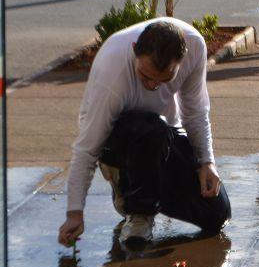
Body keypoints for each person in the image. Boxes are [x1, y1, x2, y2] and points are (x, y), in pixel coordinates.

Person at [56, 19, 231, 250]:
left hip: (163, 135)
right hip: (117, 141)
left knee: (217, 214)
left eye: (164, 80)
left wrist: (206, 162)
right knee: (149, 127)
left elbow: (195, 112)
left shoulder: (195, 47)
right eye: (145, 76)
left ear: (183, 57)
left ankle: (141, 192)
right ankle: (137, 209)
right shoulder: (113, 74)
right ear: (134, 49)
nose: (153, 85)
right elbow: (86, 149)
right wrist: (74, 212)